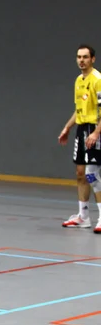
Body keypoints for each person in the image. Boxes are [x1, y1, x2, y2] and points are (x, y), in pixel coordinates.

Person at [58, 44, 101, 233]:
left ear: (92, 59)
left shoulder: (98, 80)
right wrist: (67, 127)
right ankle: (83, 217)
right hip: (82, 129)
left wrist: (96, 132)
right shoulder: (78, 81)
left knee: (93, 175)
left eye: (85, 57)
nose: (81, 60)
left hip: (95, 129)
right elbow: (79, 109)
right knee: (80, 174)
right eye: (78, 57)